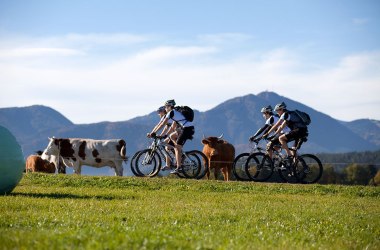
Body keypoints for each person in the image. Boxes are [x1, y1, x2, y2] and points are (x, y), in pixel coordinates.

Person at [147, 99, 195, 174]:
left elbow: (162, 124)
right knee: (169, 142)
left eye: (166, 107)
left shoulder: (171, 113)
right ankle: (171, 161)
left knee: (177, 148)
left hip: (187, 129)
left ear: (169, 106)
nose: (165, 109)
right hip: (183, 129)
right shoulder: (175, 113)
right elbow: (172, 126)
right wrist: (165, 135)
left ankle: (179, 167)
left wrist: (154, 132)